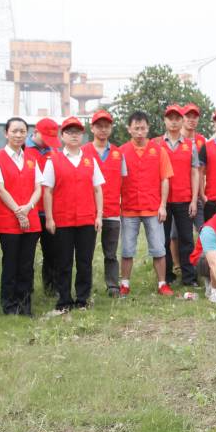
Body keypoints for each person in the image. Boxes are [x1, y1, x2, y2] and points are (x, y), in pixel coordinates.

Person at [43, 116, 104, 311]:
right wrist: (50, 218)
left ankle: (83, 299)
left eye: (77, 132)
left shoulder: (90, 161)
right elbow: (47, 191)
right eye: (69, 132)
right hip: (63, 219)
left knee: (85, 262)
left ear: (83, 135)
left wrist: (99, 215)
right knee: (63, 262)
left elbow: (97, 189)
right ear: (62, 136)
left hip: (87, 219)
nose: (74, 135)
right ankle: (64, 301)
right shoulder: (54, 160)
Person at [0, 117, 43, 315]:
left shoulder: (31, 159)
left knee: (27, 265)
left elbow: (39, 188)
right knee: (10, 262)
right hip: (7, 219)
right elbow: (0, 189)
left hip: (31, 218)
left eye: (22, 131)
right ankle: (9, 305)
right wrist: (19, 213)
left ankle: (25, 305)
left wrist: (27, 208)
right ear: (6, 133)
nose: (18, 135)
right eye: (14, 131)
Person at [118, 110, 174, 296]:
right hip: (129, 207)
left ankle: (162, 283)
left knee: (159, 248)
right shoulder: (121, 152)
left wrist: (163, 205)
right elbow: (115, 179)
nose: (140, 131)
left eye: (143, 128)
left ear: (148, 128)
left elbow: (165, 179)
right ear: (129, 129)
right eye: (136, 128)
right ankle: (124, 284)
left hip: (152, 207)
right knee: (127, 249)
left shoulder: (159, 151)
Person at [82, 109, 125, 298]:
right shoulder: (83, 152)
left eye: (106, 126)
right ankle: (85, 287)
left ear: (111, 128)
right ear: (92, 128)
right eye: (99, 126)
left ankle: (113, 286)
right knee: (86, 254)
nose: (103, 129)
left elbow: (124, 180)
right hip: (88, 211)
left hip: (113, 211)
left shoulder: (118, 153)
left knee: (111, 253)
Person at [160, 104, 201, 286]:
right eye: (171, 118)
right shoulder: (157, 144)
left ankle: (189, 277)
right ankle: (166, 275)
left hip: (184, 199)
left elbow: (195, 172)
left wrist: (194, 199)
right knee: (164, 239)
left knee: (186, 239)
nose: (174, 122)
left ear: (182, 121)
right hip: (163, 200)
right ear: (165, 121)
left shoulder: (190, 145)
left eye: (178, 118)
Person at [28, 118, 60, 294]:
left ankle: (51, 287)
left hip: (50, 211)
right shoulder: (23, 150)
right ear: (36, 132)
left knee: (52, 252)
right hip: (29, 210)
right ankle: (27, 288)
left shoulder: (54, 152)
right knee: (27, 254)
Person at [182, 102, 207, 233]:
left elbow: (203, 168)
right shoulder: (176, 139)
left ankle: (201, 253)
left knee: (203, 229)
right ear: (182, 118)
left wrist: (202, 193)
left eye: (195, 117)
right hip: (179, 193)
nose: (191, 120)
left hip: (198, 193)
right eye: (188, 116)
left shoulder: (202, 140)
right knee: (176, 234)